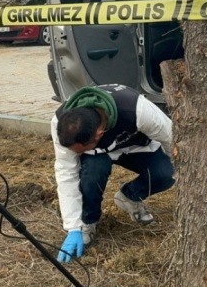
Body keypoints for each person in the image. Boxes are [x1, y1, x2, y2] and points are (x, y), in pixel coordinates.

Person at [52, 84, 176, 262]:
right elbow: (66, 173)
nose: (76, 156)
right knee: (91, 174)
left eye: (80, 151)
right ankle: (88, 223)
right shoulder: (61, 124)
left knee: (167, 173)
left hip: (134, 146)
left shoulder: (137, 109)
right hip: (97, 156)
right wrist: (73, 227)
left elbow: (171, 140)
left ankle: (129, 197)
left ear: (99, 134)